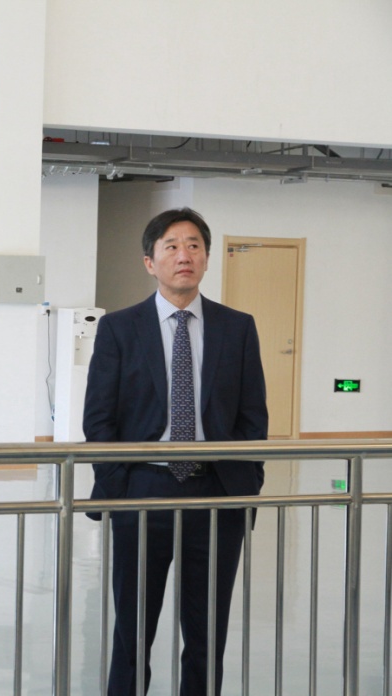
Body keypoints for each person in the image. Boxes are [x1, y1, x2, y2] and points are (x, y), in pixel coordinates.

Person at [83, 207, 268, 696]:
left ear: (206, 257)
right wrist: (119, 487)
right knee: (132, 631)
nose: (184, 255)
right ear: (150, 262)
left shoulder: (237, 327)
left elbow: (253, 417)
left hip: (217, 494)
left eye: (193, 246)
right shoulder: (120, 328)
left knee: (207, 633)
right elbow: (98, 418)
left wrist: (245, 486)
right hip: (143, 490)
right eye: (171, 246)